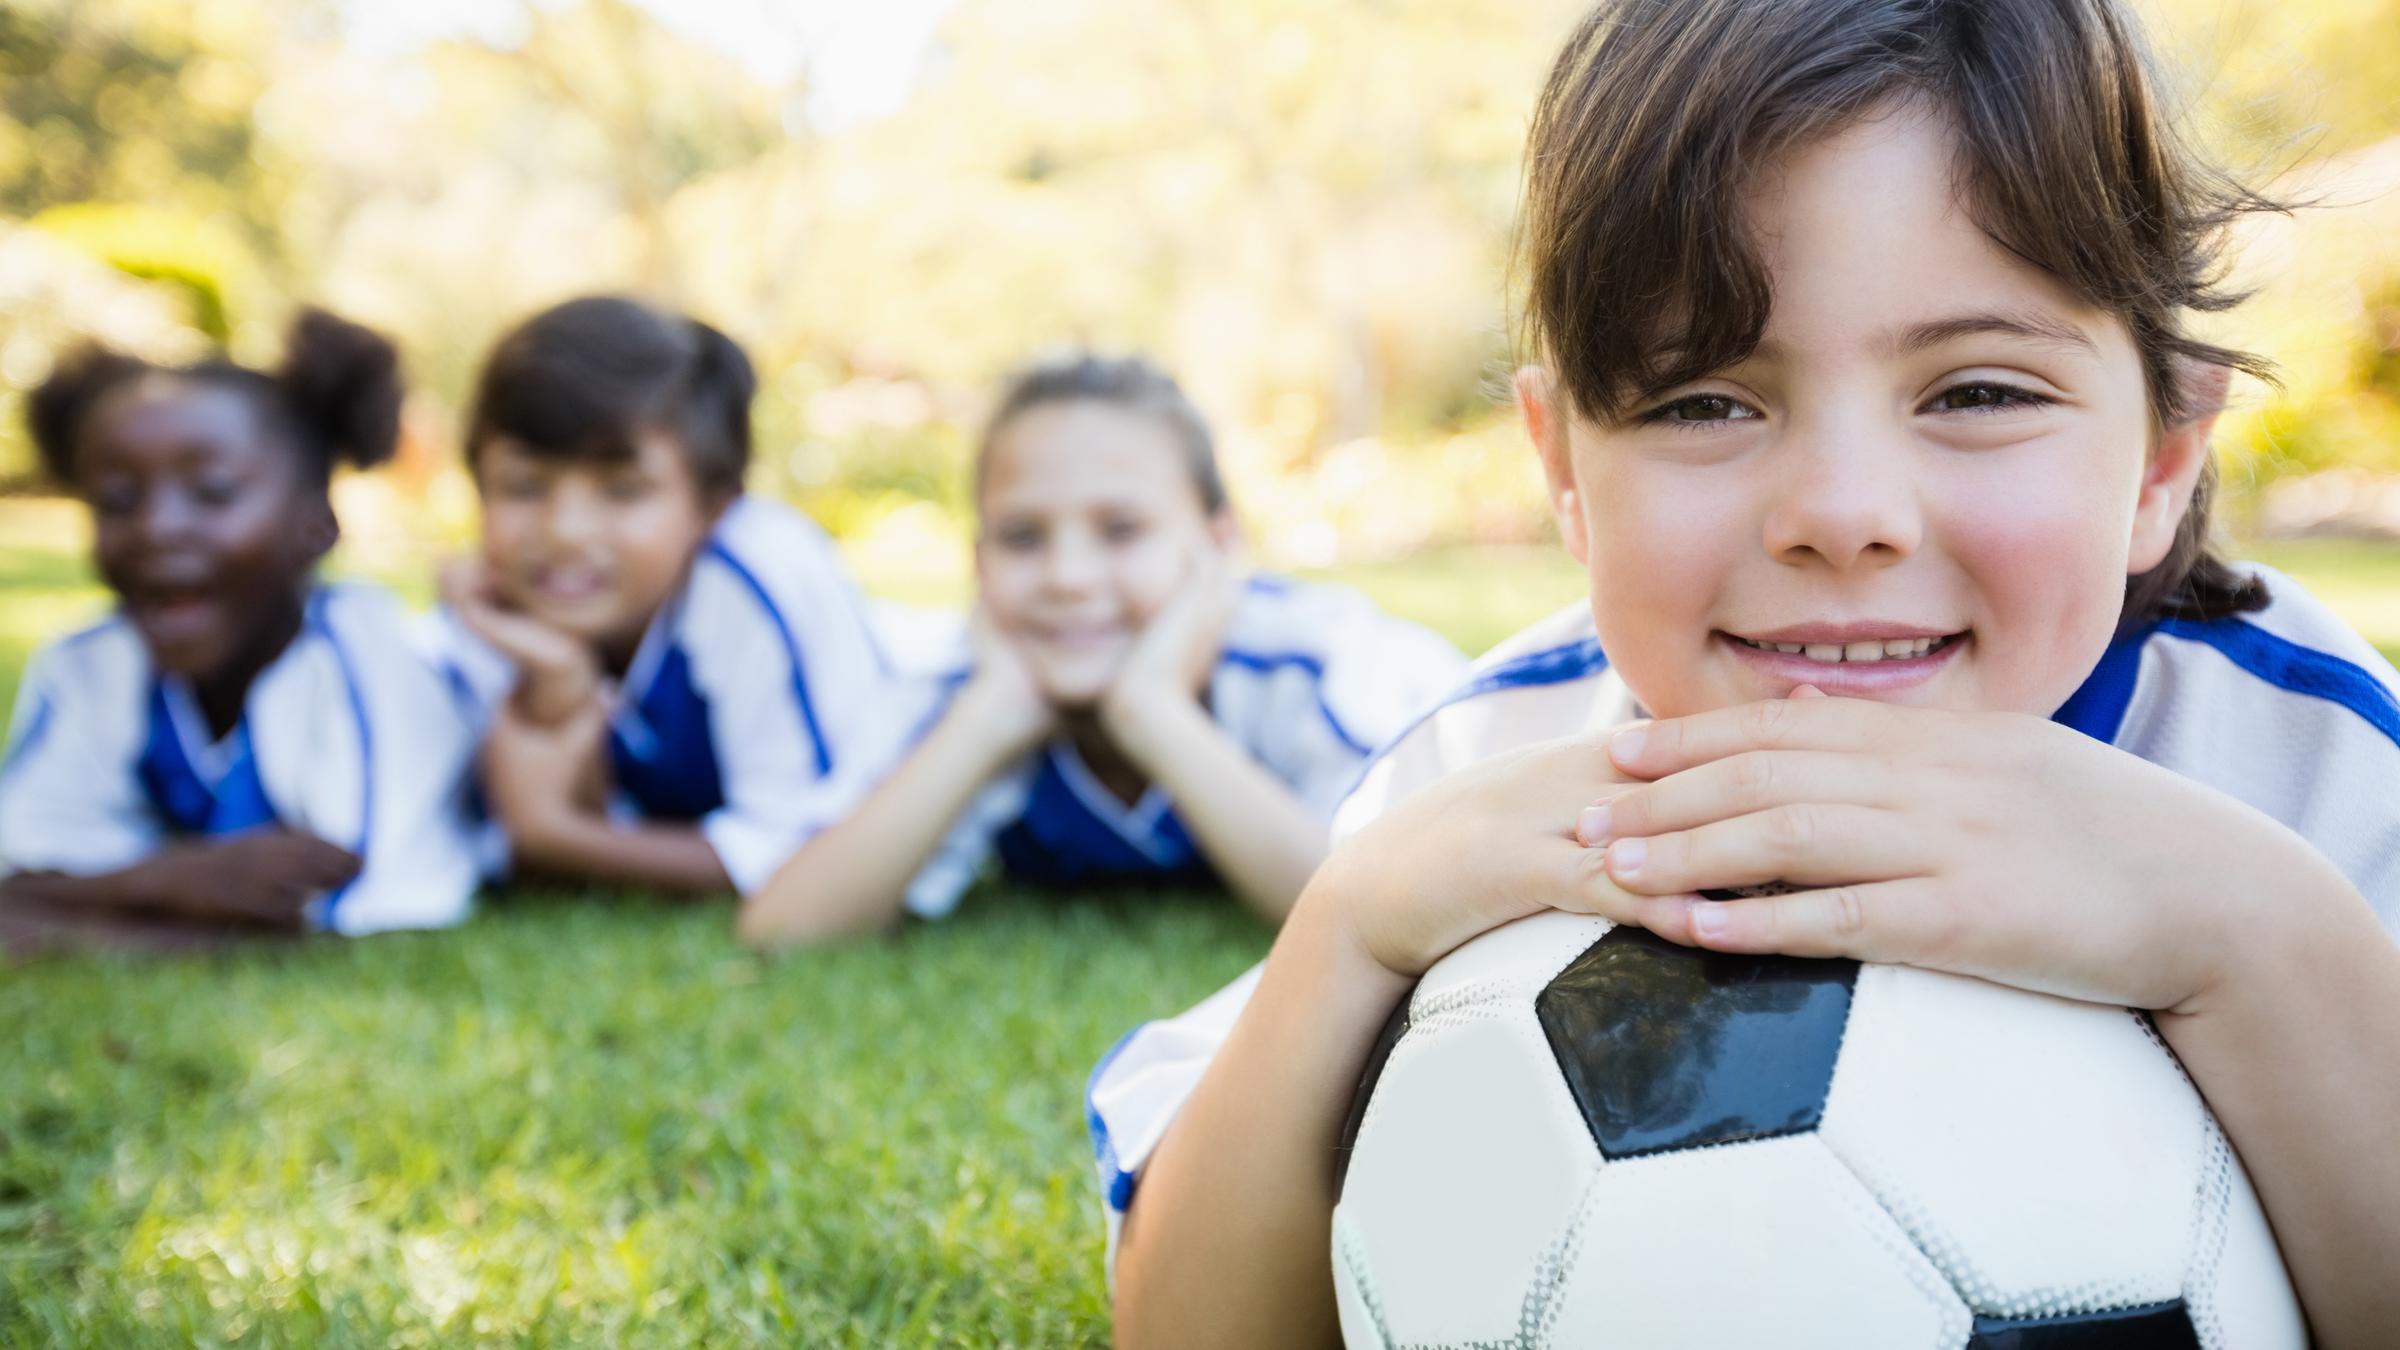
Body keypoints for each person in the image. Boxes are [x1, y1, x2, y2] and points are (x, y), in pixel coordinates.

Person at [1094, 2, 2400, 1345]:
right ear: (1563, 469)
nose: (1841, 513)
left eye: (1979, 392)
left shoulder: (2320, 765)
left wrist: (2257, 937)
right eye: (1704, 402)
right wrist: (1351, 927)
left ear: (2164, 456)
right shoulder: (1493, 771)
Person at [736, 353, 1467, 948]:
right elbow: (785, 927)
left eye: (1120, 531)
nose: (1068, 577)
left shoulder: (1309, 665)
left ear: (1217, 544)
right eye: (1022, 538)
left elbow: (1390, 910)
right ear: (979, 563)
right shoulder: (971, 682)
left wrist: (1155, 713)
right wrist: (989, 721)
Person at [0, 310, 484, 951]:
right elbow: (24, 859)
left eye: (212, 491)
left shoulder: (374, 663)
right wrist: (181, 880)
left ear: (318, 523)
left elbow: (350, 908)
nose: (157, 528)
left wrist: (65, 908)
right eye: (117, 499)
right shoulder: (88, 664)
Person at [438, 295, 898, 898]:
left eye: (623, 490)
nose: (565, 530)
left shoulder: (753, 576)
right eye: (524, 486)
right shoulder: (493, 610)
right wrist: (557, 684)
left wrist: (554, 835)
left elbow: (812, 856)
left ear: (713, 502)